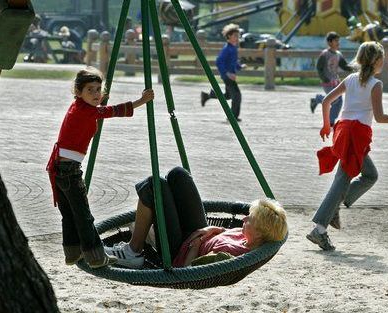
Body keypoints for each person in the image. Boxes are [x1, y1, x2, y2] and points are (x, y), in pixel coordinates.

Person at [306, 42, 388, 251]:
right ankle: (320, 228)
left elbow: (327, 101)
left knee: (368, 174)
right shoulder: (375, 84)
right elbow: (379, 117)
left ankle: (332, 211)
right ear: (378, 61)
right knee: (343, 179)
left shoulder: (351, 79)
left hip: (343, 130)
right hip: (356, 134)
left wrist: (326, 125)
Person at [46, 67, 155, 268]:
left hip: (59, 168)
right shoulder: (87, 111)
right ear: (78, 92)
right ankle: (96, 257)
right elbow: (112, 111)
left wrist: (97, 96)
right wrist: (141, 101)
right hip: (69, 171)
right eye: (90, 90)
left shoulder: (77, 106)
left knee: (69, 214)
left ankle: (72, 252)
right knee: (84, 216)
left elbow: (99, 108)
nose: (96, 94)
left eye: (98, 90)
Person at [104, 167, 288, 268]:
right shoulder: (248, 236)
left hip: (178, 252)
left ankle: (133, 250)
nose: (243, 220)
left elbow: (190, 269)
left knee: (155, 185)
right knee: (178, 174)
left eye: (249, 220)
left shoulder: (232, 255)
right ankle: (146, 230)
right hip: (198, 231)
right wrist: (212, 229)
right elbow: (225, 231)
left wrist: (196, 244)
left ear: (259, 233)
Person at [201, 23, 244, 122]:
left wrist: (240, 66)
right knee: (237, 96)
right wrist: (228, 74)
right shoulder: (227, 49)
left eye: (238, 36)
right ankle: (232, 117)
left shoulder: (233, 48)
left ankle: (208, 95)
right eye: (235, 36)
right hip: (227, 76)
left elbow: (233, 62)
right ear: (229, 36)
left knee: (228, 96)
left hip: (230, 76)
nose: (237, 38)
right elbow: (219, 61)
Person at [310, 32, 353, 126]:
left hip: (336, 81)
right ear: (329, 42)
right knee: (334, 100)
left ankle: (331, 121)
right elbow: (319, 68)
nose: (338, 43)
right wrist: (324, 78)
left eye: (338, 41)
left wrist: (354, 67)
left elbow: (344, 66)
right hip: (327, 82)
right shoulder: (324, 54)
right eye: (336, 41)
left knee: (339, 102)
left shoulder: (339, 54)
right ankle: (317, 99)